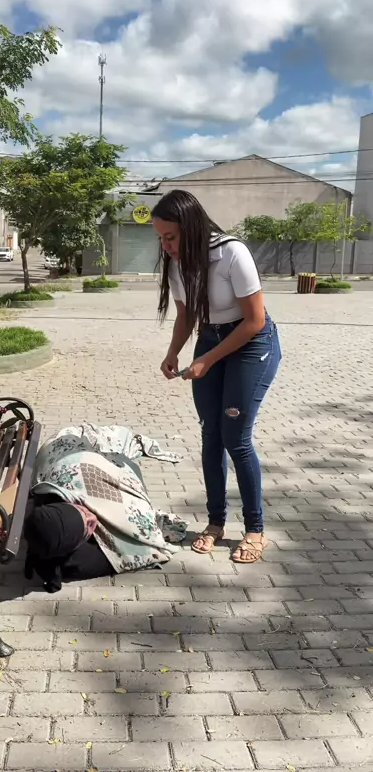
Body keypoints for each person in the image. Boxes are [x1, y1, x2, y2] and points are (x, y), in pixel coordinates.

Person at [152, 190, 281, 564]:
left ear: (191, 227)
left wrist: (206, 360)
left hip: (252, 342)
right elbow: (186, 315)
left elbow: (254, 320)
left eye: (170, 237)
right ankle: (215, 522)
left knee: (235, 438)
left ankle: (255, 529)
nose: (166, 246)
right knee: (211, 433)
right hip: (211, 336)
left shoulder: (231, 253)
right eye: (161, 238)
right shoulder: (177, 263)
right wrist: (173, 352)